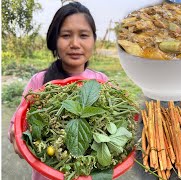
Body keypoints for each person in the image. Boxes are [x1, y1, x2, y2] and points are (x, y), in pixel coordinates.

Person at [8, 2, 108, 179]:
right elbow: (17, 123)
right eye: (66, 35)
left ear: (93, 39)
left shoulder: (102, 83)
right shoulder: (39, 82)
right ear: (54, 40)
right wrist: (16, 134)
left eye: (84, 35)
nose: (75, 43)